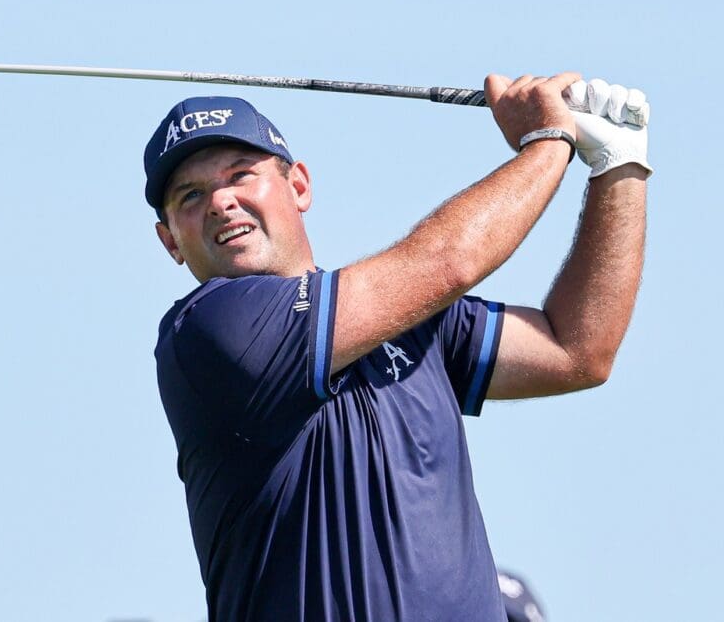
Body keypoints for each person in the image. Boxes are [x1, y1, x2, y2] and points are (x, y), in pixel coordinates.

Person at [144, 74, 650, 621]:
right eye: (190, 196)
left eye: (241, 175)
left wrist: (619, 168)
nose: (221, 201)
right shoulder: (210, 329)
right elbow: (446, 263)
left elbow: (576, 350)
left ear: (299, 187)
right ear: (170, 240)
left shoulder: (409, 318)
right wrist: (550, 141)